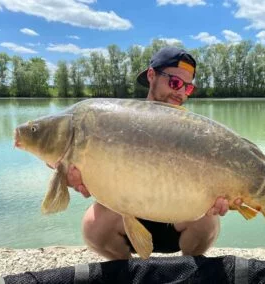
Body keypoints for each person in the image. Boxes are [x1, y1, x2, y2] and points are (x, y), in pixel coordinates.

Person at [66, 46, 243, 260]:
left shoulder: (191, 133)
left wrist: (222, 194)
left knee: (208, 222)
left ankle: (187, 270)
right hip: (126, 221)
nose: (179, 92)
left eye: (187, 88)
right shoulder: (118, 121)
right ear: (152, 75)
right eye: (175, 83)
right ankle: (129, 273)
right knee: (92, 227)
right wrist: (68, 172)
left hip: (177, 221)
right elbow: (72, 152)